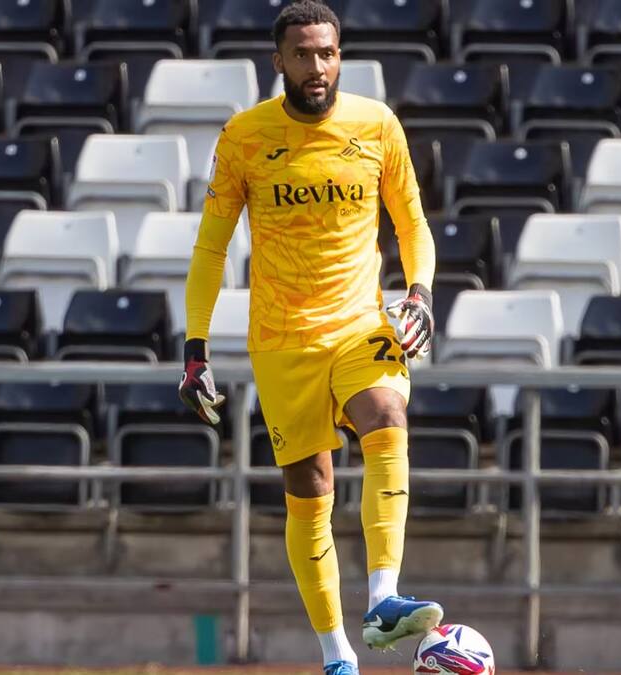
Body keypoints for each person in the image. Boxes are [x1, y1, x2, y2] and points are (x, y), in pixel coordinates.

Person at [177, 2, 441, 673]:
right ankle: (336, 655)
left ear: (339, 55)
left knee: (387, 415)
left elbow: (411, 224)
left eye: (327, 52)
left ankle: (383, 595)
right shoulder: (244, 136)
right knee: (311, 486)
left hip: (361, 323)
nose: (316, 66)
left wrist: (420, 293)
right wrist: (195, 346)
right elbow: (210, 249)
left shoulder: (376, 125)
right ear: (280, 61)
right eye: (302, 53)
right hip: (281, 337)